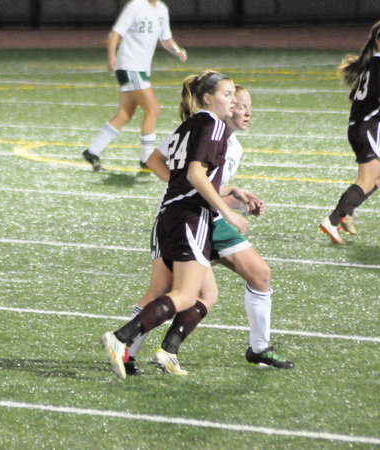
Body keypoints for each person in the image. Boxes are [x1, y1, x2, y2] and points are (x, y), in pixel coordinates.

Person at [123, 86, 294, 377]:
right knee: (165, 290)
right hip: (184, 218)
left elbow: (210, 187)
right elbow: (161, 163)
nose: (247, 112)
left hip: (209, 218)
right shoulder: (204, 129)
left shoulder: (231, 143)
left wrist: (239, 202)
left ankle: (256, 348)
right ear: (224, 105)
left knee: (258, 274)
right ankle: (126, 349)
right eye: (240, 105)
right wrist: (184, 190)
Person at [101, 71, 247, 380]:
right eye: (227, 94)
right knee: (184, 295)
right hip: (190, 217)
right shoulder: (213, 125)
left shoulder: (191, 124)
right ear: (207, 97)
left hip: (173, 213)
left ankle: (167, 351)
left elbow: (175, 170)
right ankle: (120, 338)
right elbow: (195, 175)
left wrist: (221, 194)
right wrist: (228, 212)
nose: (233, 101)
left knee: (206, 293)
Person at [319, 18, 380, 244]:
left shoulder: (372, 62)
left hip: (359, 126)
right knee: (366, 180)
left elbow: (356, 97)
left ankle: (347, 212)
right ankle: (333, 220)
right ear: (378, 41)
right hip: (369, 128)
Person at [82, 0, 187, 172]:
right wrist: (112, 57)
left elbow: (166, 38)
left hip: (140, 69)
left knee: (124, 114)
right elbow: (115, 33)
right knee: (153, 109)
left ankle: (92, 151)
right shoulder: (135, 6)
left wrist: (177, 50)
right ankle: (147, 159)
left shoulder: (161, 9)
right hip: (130, 66)